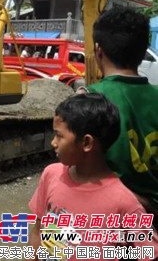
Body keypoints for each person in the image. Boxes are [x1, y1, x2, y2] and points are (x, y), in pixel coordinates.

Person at [27, 93, 158, 260]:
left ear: (87, 143)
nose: (53, 142)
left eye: (59, 136)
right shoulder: (51, 175)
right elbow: (38, 232)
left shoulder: (123, 202)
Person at [78, 6, 158, 226]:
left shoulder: (87, 100)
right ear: (143, 53)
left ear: (98, 50)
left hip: (115, 223)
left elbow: (76, 170)